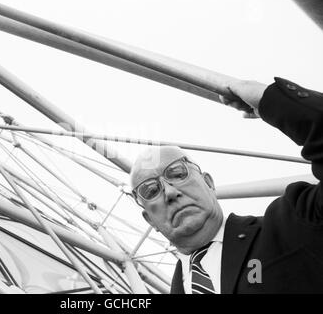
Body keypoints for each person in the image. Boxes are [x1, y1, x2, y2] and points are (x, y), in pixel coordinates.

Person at [129, 77, 323, 293]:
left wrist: (273, 100)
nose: (171, 192)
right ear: (149, 219)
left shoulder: (289, 226)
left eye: (177, 173)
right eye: (151, 190)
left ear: (209, 183)